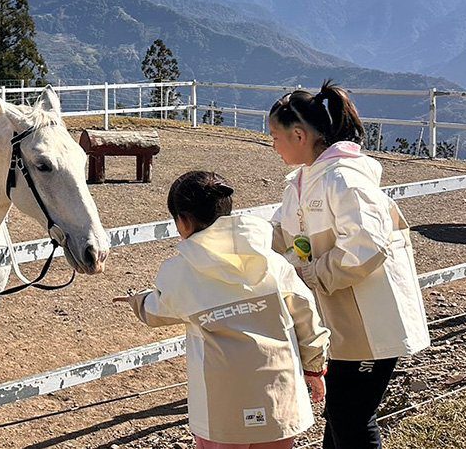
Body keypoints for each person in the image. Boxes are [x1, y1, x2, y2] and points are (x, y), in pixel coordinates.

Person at [267, 80, 430, 449]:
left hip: (371, 326)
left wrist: (314, 274)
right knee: (341, 416)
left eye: (275, 136)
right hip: (346, 326)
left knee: (351, 417)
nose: (273, 145)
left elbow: (366, 245)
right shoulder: (303, 181)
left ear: (298, 135)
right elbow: (278, 235)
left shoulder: (345, 179)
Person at [116, 171, 330, 449]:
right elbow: (306, 314)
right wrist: (313, 368)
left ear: (182, 221)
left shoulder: (181, 273)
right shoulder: (271, 260)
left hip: (222, 409)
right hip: (280, 395)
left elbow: (157, 311)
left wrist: (137, 300)